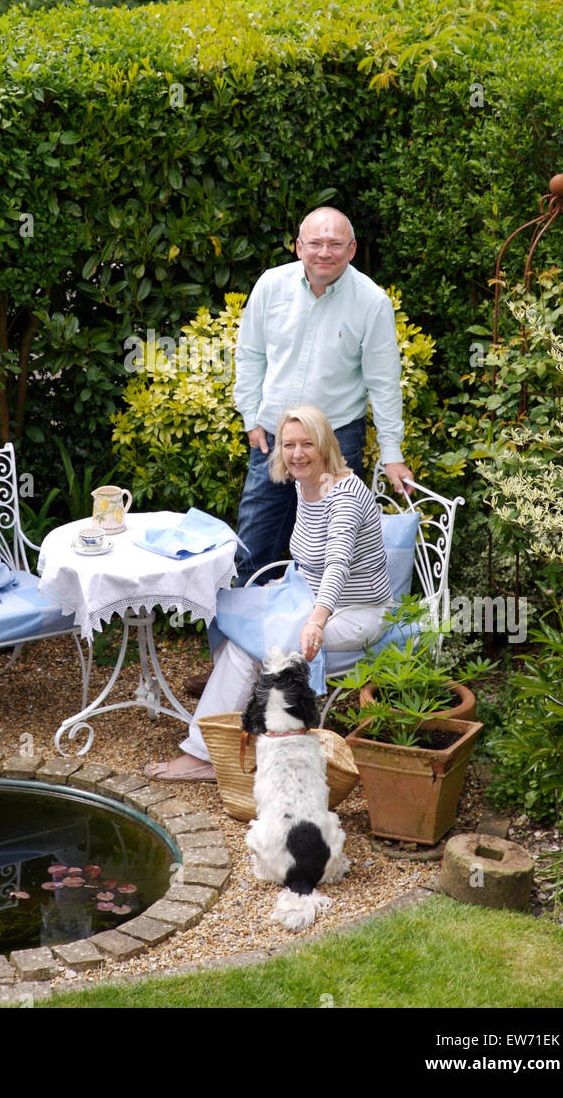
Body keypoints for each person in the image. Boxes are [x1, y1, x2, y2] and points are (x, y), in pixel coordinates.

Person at [145, 406, 394, 781]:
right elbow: (312, 558)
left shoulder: (343, 496)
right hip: (308, 594)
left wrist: (314, 620)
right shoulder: (304, 482)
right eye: (289, 444)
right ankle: (233, 736)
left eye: (307, 444)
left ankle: (208, 755)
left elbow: (337, 564)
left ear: (326, 444)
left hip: (355, 611)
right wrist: (287, 583)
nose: (297, 454)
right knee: (229, 613)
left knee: (250, 648)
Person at [233, 205, 414, 587]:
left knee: (337, 547)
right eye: (316, 243)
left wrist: (392, 454)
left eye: (335, 244)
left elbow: (383, 382)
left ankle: (330, 636)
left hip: (336, 440)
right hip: (274, 437)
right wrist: (251, 419)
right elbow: (249, 354)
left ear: (351, 249)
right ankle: (246, 637)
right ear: (299, 247)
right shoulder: (270, 285)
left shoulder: (372, 301)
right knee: (254, 540)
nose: (324, 253)